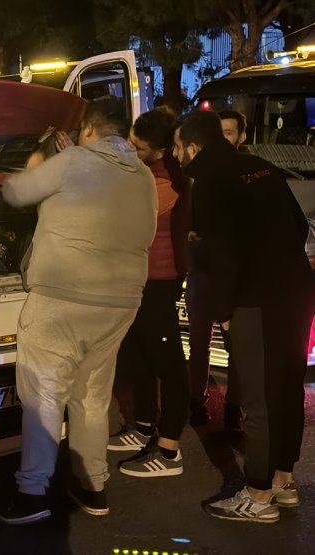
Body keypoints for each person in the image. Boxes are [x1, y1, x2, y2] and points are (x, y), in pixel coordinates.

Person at [0, 97, 157, 522]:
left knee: (44, 395)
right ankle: (93, 487)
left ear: (87, 129)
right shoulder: (142, 173)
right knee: (91, 396)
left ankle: (31, 495)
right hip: (121, 303)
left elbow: (13, 192)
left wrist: (36, 164)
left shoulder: (71, 163)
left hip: (62, 300)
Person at [172, 110, 314, 523]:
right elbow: (298, 228)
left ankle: (257, 493)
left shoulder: (211, 181)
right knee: (287, 387)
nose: (176, 156)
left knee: (258, 396)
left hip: (256, 298)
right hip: (297, 290)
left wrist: (224, 311)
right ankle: (283, 480)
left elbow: (222, 254)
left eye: (178, 148)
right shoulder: (260, 167)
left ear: (194, 147)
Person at [108, 110, 190, 478]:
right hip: (137, 280)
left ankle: (169, 449)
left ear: (159, 151)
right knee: (135, 355)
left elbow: (121, 217)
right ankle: (142, 427)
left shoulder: (165, 180)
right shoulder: (142, 171)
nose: (130, 148)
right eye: (129, 139)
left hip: (158, 280)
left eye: (138, 147)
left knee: (168, 363)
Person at [186, 109, 247, 432]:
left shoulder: (244, 174)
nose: (225, 138)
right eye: (220, 132)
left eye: (230, 132)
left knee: (235, 344)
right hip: (201, 271)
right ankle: (196, 402)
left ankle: (233, 409)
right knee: (198, 342)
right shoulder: (199, 174)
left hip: (230, 273)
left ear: (241, 136)